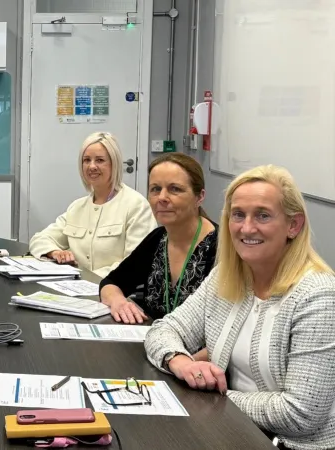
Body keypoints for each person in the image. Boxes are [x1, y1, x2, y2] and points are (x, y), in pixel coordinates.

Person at [144, 165, 335, 450]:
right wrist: (180, 361)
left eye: (263, 215)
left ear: (293, 225)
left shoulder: (318, 295)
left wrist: (213, 396)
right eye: (238, 215)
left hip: (293, 444)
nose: (246, 228)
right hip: (230, 430)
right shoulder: (227, 277)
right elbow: (164, 330)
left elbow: (300, 414)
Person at [99, 153, 218, 324]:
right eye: (155, 189)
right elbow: (111, 282)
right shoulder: (158, 239)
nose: (162, 198)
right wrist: (118, 302)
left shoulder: (220, 247)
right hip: (152, 342)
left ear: (199, 197)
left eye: (174, 189)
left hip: (196, 350)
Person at [29, 132, 156, 277]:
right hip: (77, 288)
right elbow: (39, 239)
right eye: (86, 160)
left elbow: (136, 263)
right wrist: (55, 252)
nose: (92, 166)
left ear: (114, 164)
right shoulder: (77, 208)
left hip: (116, 291)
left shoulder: (136, 206)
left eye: (100, 160)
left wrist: (89, 279)